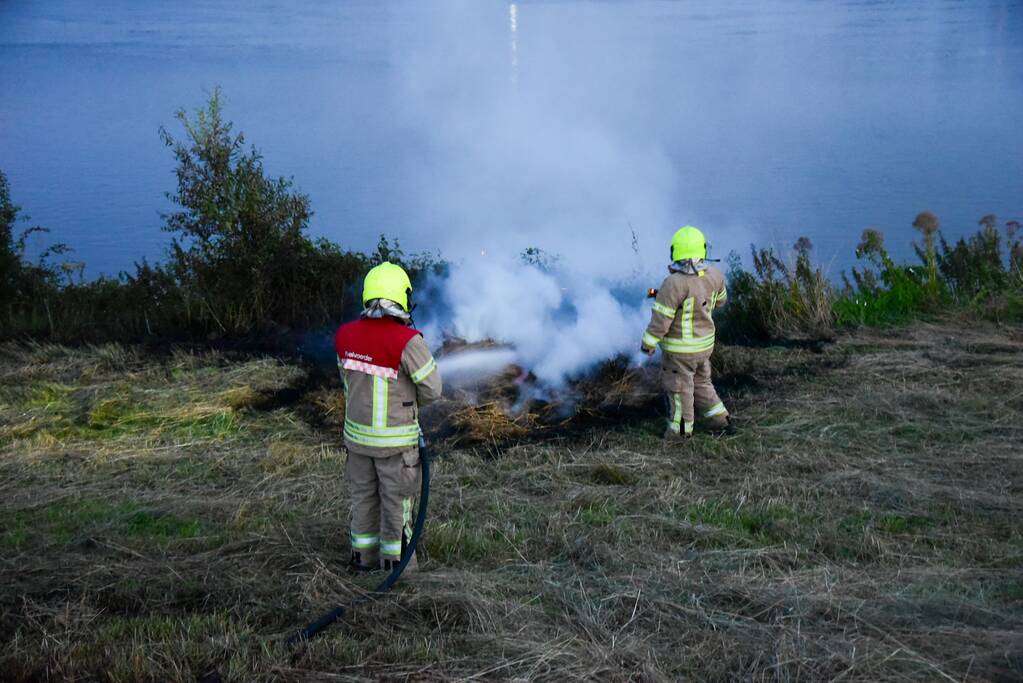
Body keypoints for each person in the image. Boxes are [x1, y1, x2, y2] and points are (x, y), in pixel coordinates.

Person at [335, 262, 442, 571]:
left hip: (356, 442)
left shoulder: (345, 336)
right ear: (402, 297)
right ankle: (398, 569)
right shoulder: (407, 341)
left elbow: (349, 383)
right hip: (396, 447)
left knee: (364, 501)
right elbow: (433, 389)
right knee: (397, 504)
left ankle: (362, 560)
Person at [641, 226, 734, 440]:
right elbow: (720, 301)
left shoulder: (673, 283)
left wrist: (648, 343)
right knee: (702, 383)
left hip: (680, 353)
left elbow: (661, 320)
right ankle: (720, 420)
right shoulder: (715, 276)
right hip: (704, 347)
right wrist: (661, 294)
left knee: (680, 390)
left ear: (676, 252)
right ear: (702, 250)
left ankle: (680, 433)